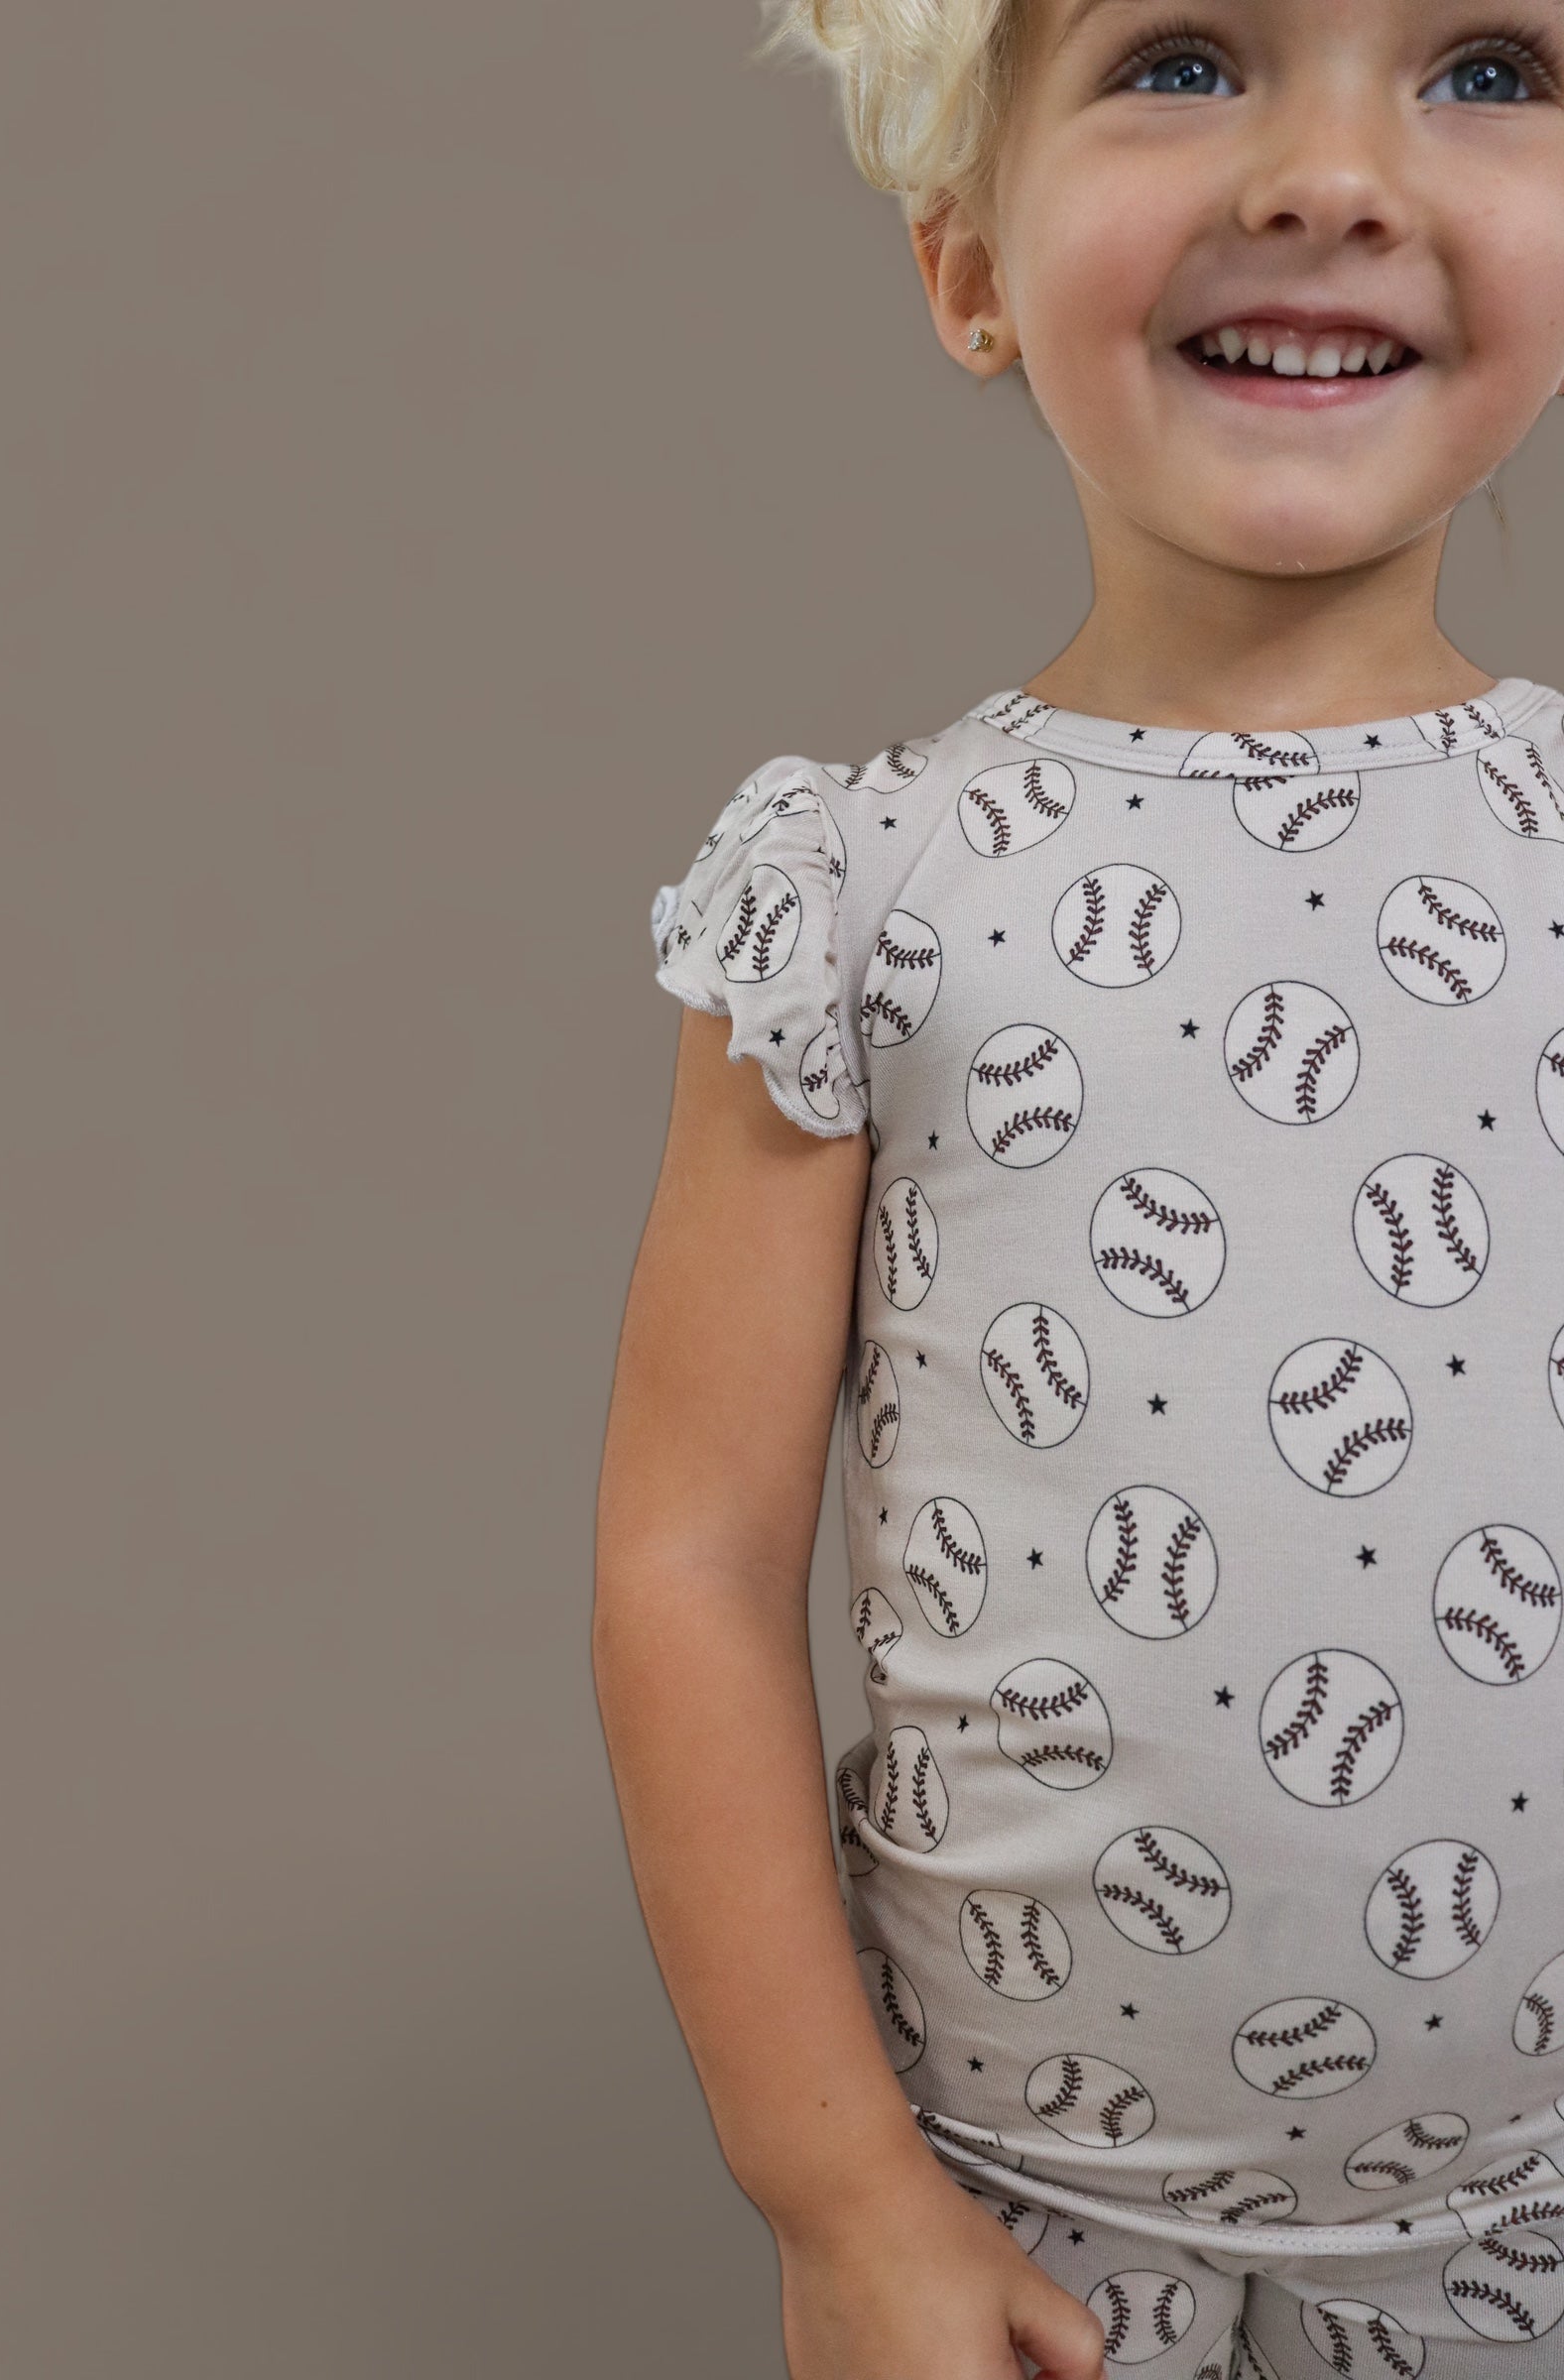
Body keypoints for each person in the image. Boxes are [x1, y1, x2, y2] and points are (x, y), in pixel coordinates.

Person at [593, 4, 1564, 2373]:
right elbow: (688, 1558)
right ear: (964, 266)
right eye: (1183, 56)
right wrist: (837, 2196)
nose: (1330, 173)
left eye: (1483, 70)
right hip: (1024, 2236)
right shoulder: (861, 893)